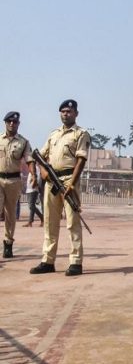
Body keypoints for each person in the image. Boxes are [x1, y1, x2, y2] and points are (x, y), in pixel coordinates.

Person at [30, 100, 90, 275]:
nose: (66, 114)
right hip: (51, 180)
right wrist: (43, 171)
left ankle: (76, 262)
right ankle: (48, 260)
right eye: (63, 111)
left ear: (76, 114)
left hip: (69, 179)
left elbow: (81, 160)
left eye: (69, 111)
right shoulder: (53, 134)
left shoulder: (81, 134)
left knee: (72, 222)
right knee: (50, 222)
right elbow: (40, 155)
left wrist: (72, 183)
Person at [2, 112, 35, 258]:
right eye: (9, 121)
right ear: (5, 123)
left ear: (18, 124)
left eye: (14, 122)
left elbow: (29, 160)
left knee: (10, 214)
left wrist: (33, 174)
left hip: (14, 181)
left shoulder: (23, 142)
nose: (11, 124)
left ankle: (8, 243)